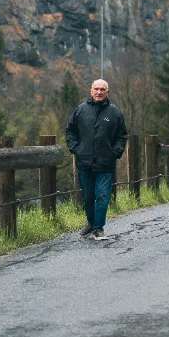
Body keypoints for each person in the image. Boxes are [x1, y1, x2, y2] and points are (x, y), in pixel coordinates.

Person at [65, 78, 128, 240]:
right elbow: (70, 131)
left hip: (105, 164)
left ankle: (98, 228)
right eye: (96, 89)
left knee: (102, 196)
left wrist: (115, 152)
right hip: (84, 162)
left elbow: (122, 136)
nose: (99, 92)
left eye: (102, 89)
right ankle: (91, 223)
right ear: (91, 90)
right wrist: (75, 149)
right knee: (88, 196)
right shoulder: (80, 110)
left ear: (107, 92)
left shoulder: (115, 113)